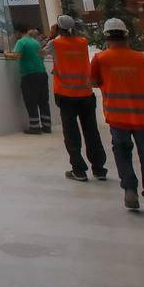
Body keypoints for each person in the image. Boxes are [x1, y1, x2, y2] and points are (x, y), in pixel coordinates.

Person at [90, 17, 144, 215]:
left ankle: (130, 189)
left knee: (122, 154)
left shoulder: (100, 59)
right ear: (126, 35)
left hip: (117, 117)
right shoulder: (140, 58)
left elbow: (94, 82)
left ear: (106, 37)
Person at [44, 15, 107, 182]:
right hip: (86, 93)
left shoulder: (55, 43)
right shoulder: (82, 42)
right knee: (91, 131)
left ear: (58, 28)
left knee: (71, 133)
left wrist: (51, 36)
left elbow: (41, 53)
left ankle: (78, 169)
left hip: (66, 94)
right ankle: (99, 168)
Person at [5, 22, 52, 134]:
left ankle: (35, 127)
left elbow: (16, 56)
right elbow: (42, 55)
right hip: (42, 73)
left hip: (29, 75)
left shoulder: (21, 42)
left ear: (17, 32)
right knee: (43, 101)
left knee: (31, 101)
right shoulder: (35, 42)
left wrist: (6, 54)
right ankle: (47, 126)